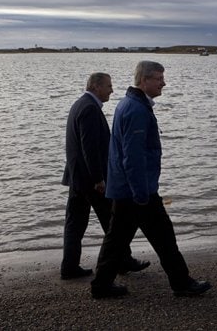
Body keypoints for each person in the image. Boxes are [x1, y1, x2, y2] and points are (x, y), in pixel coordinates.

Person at [90, 61, 212, 299]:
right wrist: (141, 194)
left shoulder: (130, 104)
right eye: (158, 78)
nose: (163, 83)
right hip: (137, 191)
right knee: (163, 237)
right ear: (144, 81)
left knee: (117, 240)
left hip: (126, 189)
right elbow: (133, 157)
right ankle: (181, 283)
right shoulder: (135, 110)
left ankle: (101, 285)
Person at [61, 72, 150, 280]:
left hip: (77, 178)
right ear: (95, 86)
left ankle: (69, 267)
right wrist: (98, 179)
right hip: (91, 181)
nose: (112, 90)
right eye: (108, 86)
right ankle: (123, 261)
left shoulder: (79, 105)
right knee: (114, 222)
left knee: (75, 224)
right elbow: (89, 148)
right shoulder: (90, 109)